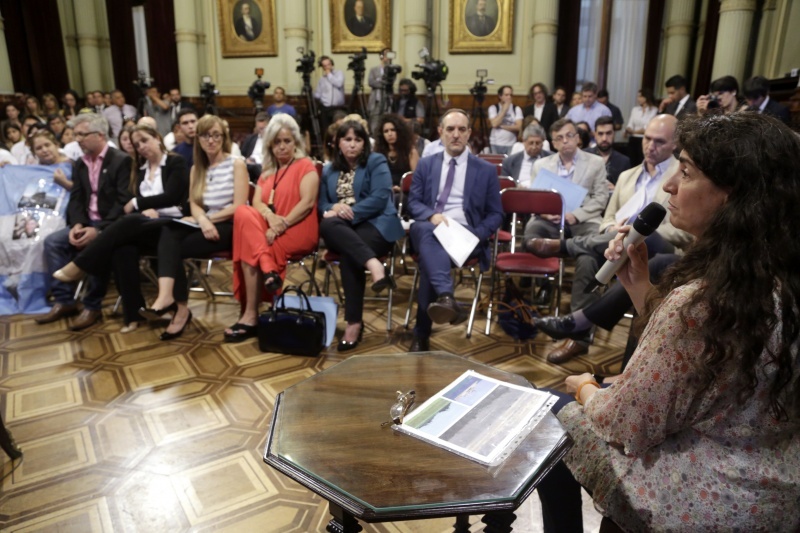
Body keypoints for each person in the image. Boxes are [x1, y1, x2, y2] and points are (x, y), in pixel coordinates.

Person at [538, 112, 800, 532]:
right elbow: (698, 365)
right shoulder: (776, 279)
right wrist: (640, 286)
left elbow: (624, 423)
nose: (669, 184)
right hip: (775, 489)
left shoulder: (703, 301)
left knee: (554, 412)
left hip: (702, 498)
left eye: (688, 171)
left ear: (735, 196)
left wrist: (585, 387)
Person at [528, 114, 690, 363]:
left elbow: (684, 230)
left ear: (674, 144)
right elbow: (607, 219)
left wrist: (636, 234)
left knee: (633, 232)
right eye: (647, 138)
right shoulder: (627, 176)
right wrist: (611, 231)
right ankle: (578, 337)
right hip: (616, 246)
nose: (650, 146)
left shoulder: (680, 177)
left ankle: (564, 247)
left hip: (659, 250)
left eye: (659, 141)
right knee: (586, 258)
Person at [51, 124, 190, 333]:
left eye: (144, 140)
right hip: (147, 227)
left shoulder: (174, 162)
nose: (141, 147)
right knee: (122, 248)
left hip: (173, 225)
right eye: (136, 144)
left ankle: (81, 264)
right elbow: (137, 200)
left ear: (157, 138)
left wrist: (138, 204)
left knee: (127, 220)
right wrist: (142, 207)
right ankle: (133, 315)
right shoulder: (140, 169)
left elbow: (172, 196)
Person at [140, 115, 248, 340]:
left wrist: (208, 220)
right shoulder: (197, 169)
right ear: (198, 139)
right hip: (207, 224)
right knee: (168, 231)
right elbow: (195, 204)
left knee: (171, 246)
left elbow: (238, 206)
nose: (211, 140)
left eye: (216, 135)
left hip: (230, 226)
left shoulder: (236, 163)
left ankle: (177, 307)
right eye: (206, 135)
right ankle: (170, 300)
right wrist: (203, 220)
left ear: (223, 137)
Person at [407, 109, 503, 351]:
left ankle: (423, 332)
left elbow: (496, 214)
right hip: (432, 226)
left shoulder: (485, 170)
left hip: (466, 235)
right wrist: (432, 215)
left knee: (429, 260)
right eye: (450, 129)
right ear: (440, 133)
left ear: (469, 133)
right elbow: (414, 203)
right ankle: (446, 297)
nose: (456, 134)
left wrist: (476, 234)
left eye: (462, 129)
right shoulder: (427, 164)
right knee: (426, 230)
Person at [224, 114, 319, 342]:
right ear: (270, 145)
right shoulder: (267, 173)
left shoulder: (306, 166)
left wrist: (280, 224)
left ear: (295, 141)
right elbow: (256, 203)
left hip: (297, 229)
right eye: (277, 142)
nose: (282, 147)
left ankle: (250, 315)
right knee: (243, 212)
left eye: (286, 141)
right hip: (267, 231)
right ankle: (268, 270)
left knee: (251, 244)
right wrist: (269, 215)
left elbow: (306, 204)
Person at [36, 114, 133, 331]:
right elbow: (77, 198)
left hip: (110, 225)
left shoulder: (121, 160)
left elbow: (123, 201)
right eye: (76, 134)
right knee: (53, 242)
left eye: (82, 134)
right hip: (87, 220)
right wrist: (78, 224)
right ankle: (64, 300)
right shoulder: (81, 163)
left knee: (97, 244)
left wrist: (97, 229)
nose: (77, 139)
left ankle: (92, 305)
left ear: (99, 135)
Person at [319, 119, 404, 350]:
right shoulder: (329, 169)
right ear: (338, 143)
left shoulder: (376, 161)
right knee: (327, 224)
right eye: (347, 140)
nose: (353, 145)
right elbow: (323, 204)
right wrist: (334, 208)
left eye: (358, 140)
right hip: (343, 229)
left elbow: (379, 199)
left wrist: (350, 213)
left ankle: (353, 324)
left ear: (365, 143)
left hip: (377, 225)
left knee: (349, 255)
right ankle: (375, 266)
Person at [373, 114, 419, 205]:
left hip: (405, 194)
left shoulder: (410, 152)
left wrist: (402, 188)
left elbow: (418, 180)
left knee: (395, 199)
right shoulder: (378, 154)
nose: (390, 134)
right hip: (384, 192)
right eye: (386, 131)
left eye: (393, 130)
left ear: (400, 131)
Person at [501, 123, 551, 187]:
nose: (534, 147)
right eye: (531, 143)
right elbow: (505, 186)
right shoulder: (509, 162)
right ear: (524, 141)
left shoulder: (552, 159)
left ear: (543, 143)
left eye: (537, 143)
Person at [586, 115, 631, 186]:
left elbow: (627, 192)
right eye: (600, 134)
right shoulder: (584, 155)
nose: (604, 138)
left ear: (614, 134)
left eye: (608, 133)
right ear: (595, 135)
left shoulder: (624, 162)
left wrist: (615, 190)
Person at [624, 88, 658, 167]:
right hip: (633, 139)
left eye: (640, 96)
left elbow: (647, 127)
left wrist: (633, 131)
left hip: (644, 139)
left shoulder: (654, 110)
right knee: (631, 161)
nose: (638, 99)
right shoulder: (635, 109)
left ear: (646, 97)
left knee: (642, 161)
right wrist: (628, 130)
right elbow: (630, 124)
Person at [314, 56, 345, 135]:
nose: (327, 67)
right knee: (326, 130)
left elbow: (339, 83)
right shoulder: (322, 79)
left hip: (337, 107)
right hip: (326, 108)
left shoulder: (339, 73)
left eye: (328, 64)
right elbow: (318, 94)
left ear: (332, 64)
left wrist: (329, 75)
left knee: (339, 128)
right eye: (325, 66)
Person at [488, 85, 523, 155]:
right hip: (495, 143)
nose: (509, 97)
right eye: (506, 95)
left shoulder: (516, 109)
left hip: (511, 144)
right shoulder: (494, 108)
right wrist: (504, 110)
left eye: (511, 95)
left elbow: (519, 127)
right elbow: (494, 124)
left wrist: (502, 126)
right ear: (500, 96)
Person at [367, 49, 392, 132]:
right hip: (376, 100)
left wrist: (378, 80)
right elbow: (371, 82)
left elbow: (390, 82)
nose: (388, 57)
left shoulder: (392, 69)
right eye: (386, 55)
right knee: (374, 121)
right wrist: (383, 83)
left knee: (386, 121)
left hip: (387, 99)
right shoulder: (373, 69)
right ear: (381, 56)